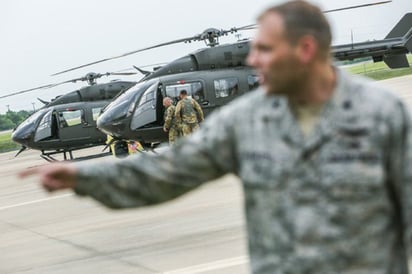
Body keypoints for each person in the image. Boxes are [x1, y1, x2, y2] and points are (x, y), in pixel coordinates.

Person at [19, 1, 412, 273]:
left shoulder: (379, 113)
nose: (254, 60)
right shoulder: (246, 120)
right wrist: (84, 179)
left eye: (264, 50)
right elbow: (167, 173)